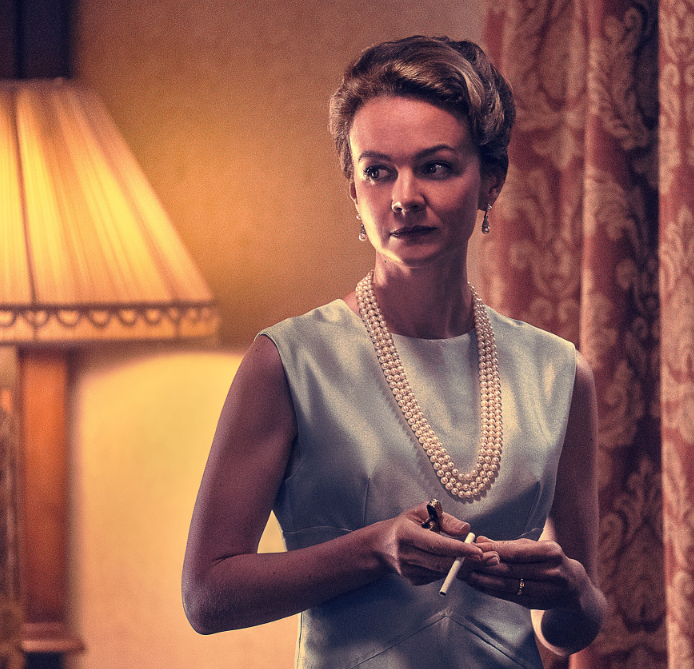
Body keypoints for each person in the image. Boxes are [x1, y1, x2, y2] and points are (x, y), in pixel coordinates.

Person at [182, 35, 606, 668]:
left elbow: (571, 630)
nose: (404, 196)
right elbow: (206, 597)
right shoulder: (289, 362)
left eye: (435, 166)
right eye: (378, 171)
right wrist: (373, 549)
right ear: (354, 191)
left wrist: (571, 591)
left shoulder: (559, 373)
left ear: (490, 181)